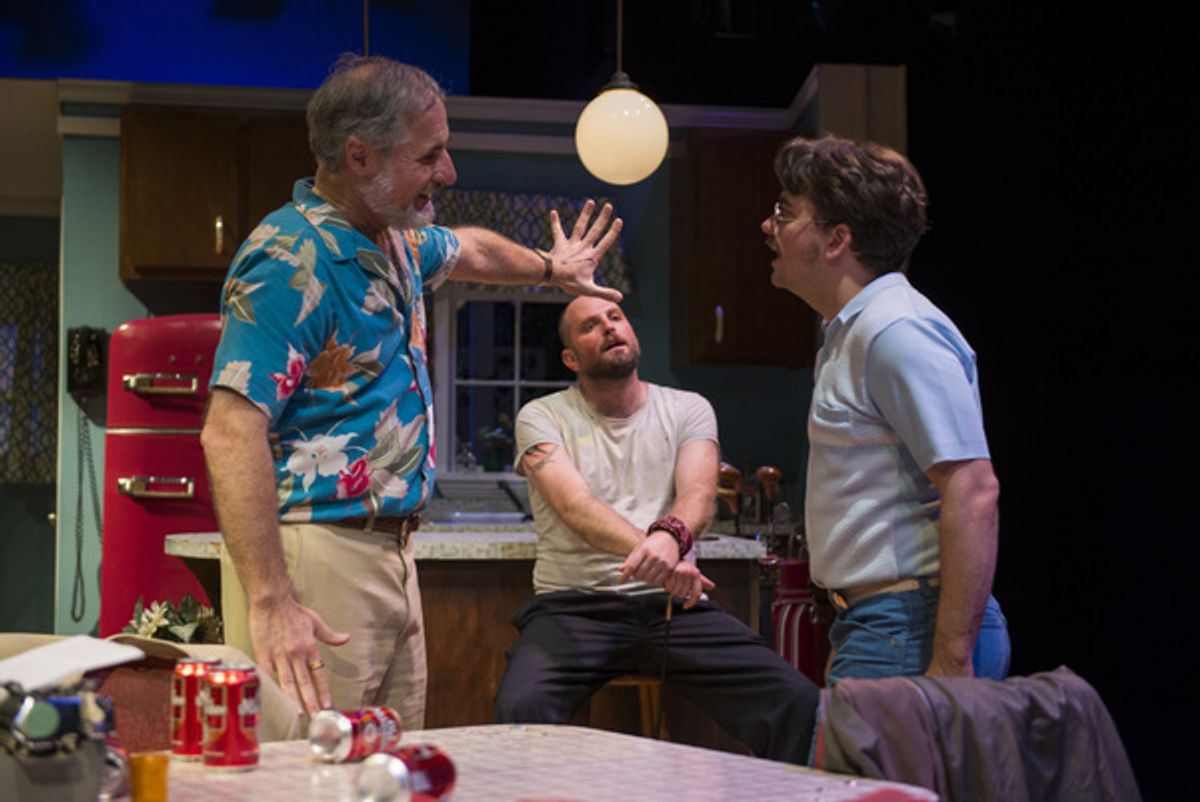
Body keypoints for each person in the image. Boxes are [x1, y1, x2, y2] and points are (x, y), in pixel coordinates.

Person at [199, 54, 622, 725]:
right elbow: (229, 429)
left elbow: (471, 251)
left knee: (385, 776)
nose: (448, 173)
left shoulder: (394, 241)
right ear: (359, 155)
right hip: (316, 555)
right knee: (311, 780)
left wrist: (549, 268)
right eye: (430, 156)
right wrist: (272, 600)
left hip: (391, 554)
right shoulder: (288, 259)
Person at [491, 295, 819, 763]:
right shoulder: (542, 416)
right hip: (573, 607)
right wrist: (664, 560)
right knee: (519, 710)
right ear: (570, 358)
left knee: (797, 701)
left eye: (616, 317)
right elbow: (575, 506)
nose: (608, 327)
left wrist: (670, 540)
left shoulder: (688, 408)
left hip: (674, 609)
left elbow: (699, 495)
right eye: (589, 326)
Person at [761, 134, 1010, 683]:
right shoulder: (854, 331)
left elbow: (973, 487)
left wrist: (949, 661)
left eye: (786, 212)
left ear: (836, 240)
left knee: (847, 774)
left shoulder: (895, 329)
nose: (768, 226)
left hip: (910, 628)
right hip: (883, 624)